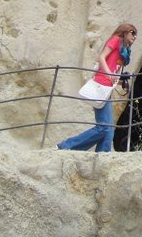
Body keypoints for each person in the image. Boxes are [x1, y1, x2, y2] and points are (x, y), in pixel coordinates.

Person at [57, 23, 137, 152]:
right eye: (133, 32)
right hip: (101, 85)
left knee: (108, 128)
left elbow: (113, 70)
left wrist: (121, 81)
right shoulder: (116, 40)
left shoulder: (124, 50)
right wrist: (109, 74)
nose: (135, 36)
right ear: (125, 31)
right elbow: (102, 57)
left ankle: (102, 155)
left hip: (107, 88)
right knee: (104, 127)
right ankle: (66, 146)